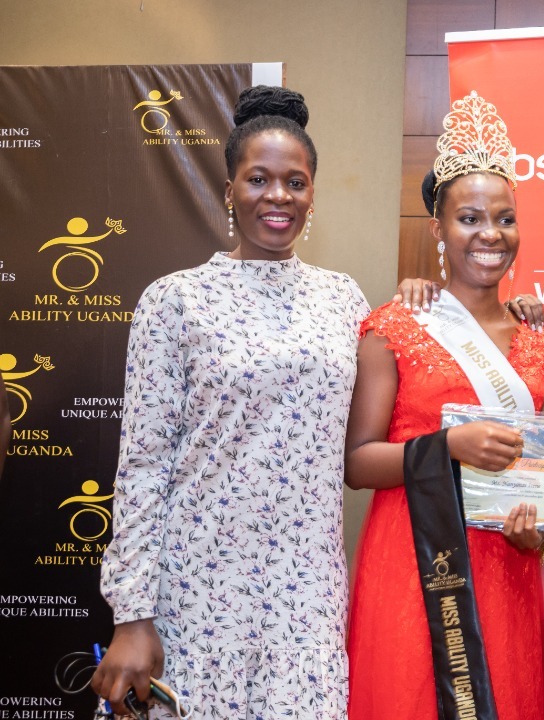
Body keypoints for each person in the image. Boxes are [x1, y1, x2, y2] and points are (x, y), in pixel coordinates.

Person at [92, 85, 370, 718]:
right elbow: (143, 466)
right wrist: (132, 613)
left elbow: (390, 408)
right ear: (229, 190)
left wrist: (496, 310)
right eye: (258, 179)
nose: (278, 196)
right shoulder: (174, 300)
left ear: (312, 194)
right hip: (197, 591)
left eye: (295, 182)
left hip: (307, 593)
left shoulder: (344, 299)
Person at [344, 92, 544, 720]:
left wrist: (540, 530)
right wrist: (447, 447)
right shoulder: (394, 327)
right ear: (438, 228)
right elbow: (357, 463)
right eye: (469, 218)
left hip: (507, 564)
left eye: (505, 218)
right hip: (414, 562)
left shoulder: (542, 340)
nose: (490, 234)